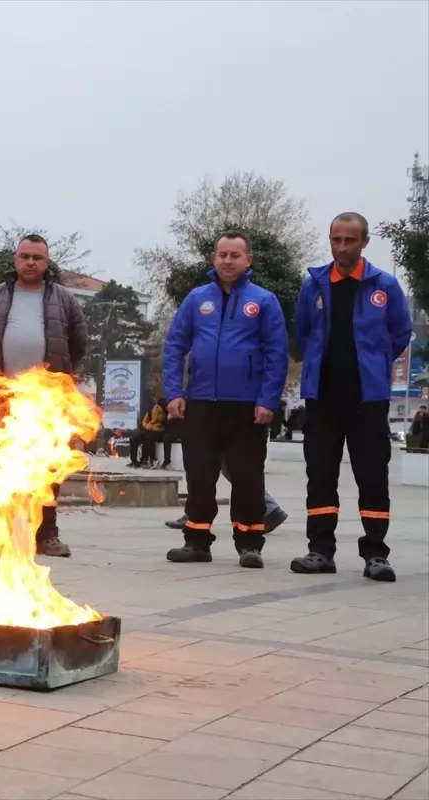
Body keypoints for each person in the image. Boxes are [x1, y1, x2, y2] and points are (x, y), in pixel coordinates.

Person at [291, 212, 412, 582]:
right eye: (336, 240)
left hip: (367, 398)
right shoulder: (313, 285)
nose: (342, 247)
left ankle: (376, 554)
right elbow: (303, 330)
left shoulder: (385, 286)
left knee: (373, 476)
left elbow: (400, 333)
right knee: (321, 475)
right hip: (322, 397)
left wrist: (373, 363)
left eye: (350, 240)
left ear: (364, 242)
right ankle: (320, 551)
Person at [162, 231, 287, 568]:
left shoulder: (263, 301)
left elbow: (277, 354)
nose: (228, 261)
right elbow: (174, 346)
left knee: (247, 477)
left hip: (247, 407)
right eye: (222, 255)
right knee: (199, 476)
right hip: (200, 402)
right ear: (213, 259)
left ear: (248, 260)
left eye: (235, 255)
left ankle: (249, 544)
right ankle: (197, 542)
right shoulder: (196, 299)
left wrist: (267, 401)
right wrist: (174, 392)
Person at [0, 234, 87, 557]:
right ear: (15, 260)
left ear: (47, 263)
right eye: (25, 256)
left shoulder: (64, 299)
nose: (30, 262)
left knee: (49, 468)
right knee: (1, 464)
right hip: (3, 396)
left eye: (37, 257)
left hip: (48, 400)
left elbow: (78, 342)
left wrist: (61, 375)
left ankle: (46, 533)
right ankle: (3, 532)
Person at [128, 399, 167, 467]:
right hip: (149, 429)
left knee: (148, 438)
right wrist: (148, 426)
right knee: (133, 439)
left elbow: (163, 424)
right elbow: (145, 421)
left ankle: (147, 459)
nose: (157, 407)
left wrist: (160, 412)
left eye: (158, 406)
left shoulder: (165, 412)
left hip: (159, 430)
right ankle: (134, 460)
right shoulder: (150, 411)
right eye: (156, 406)